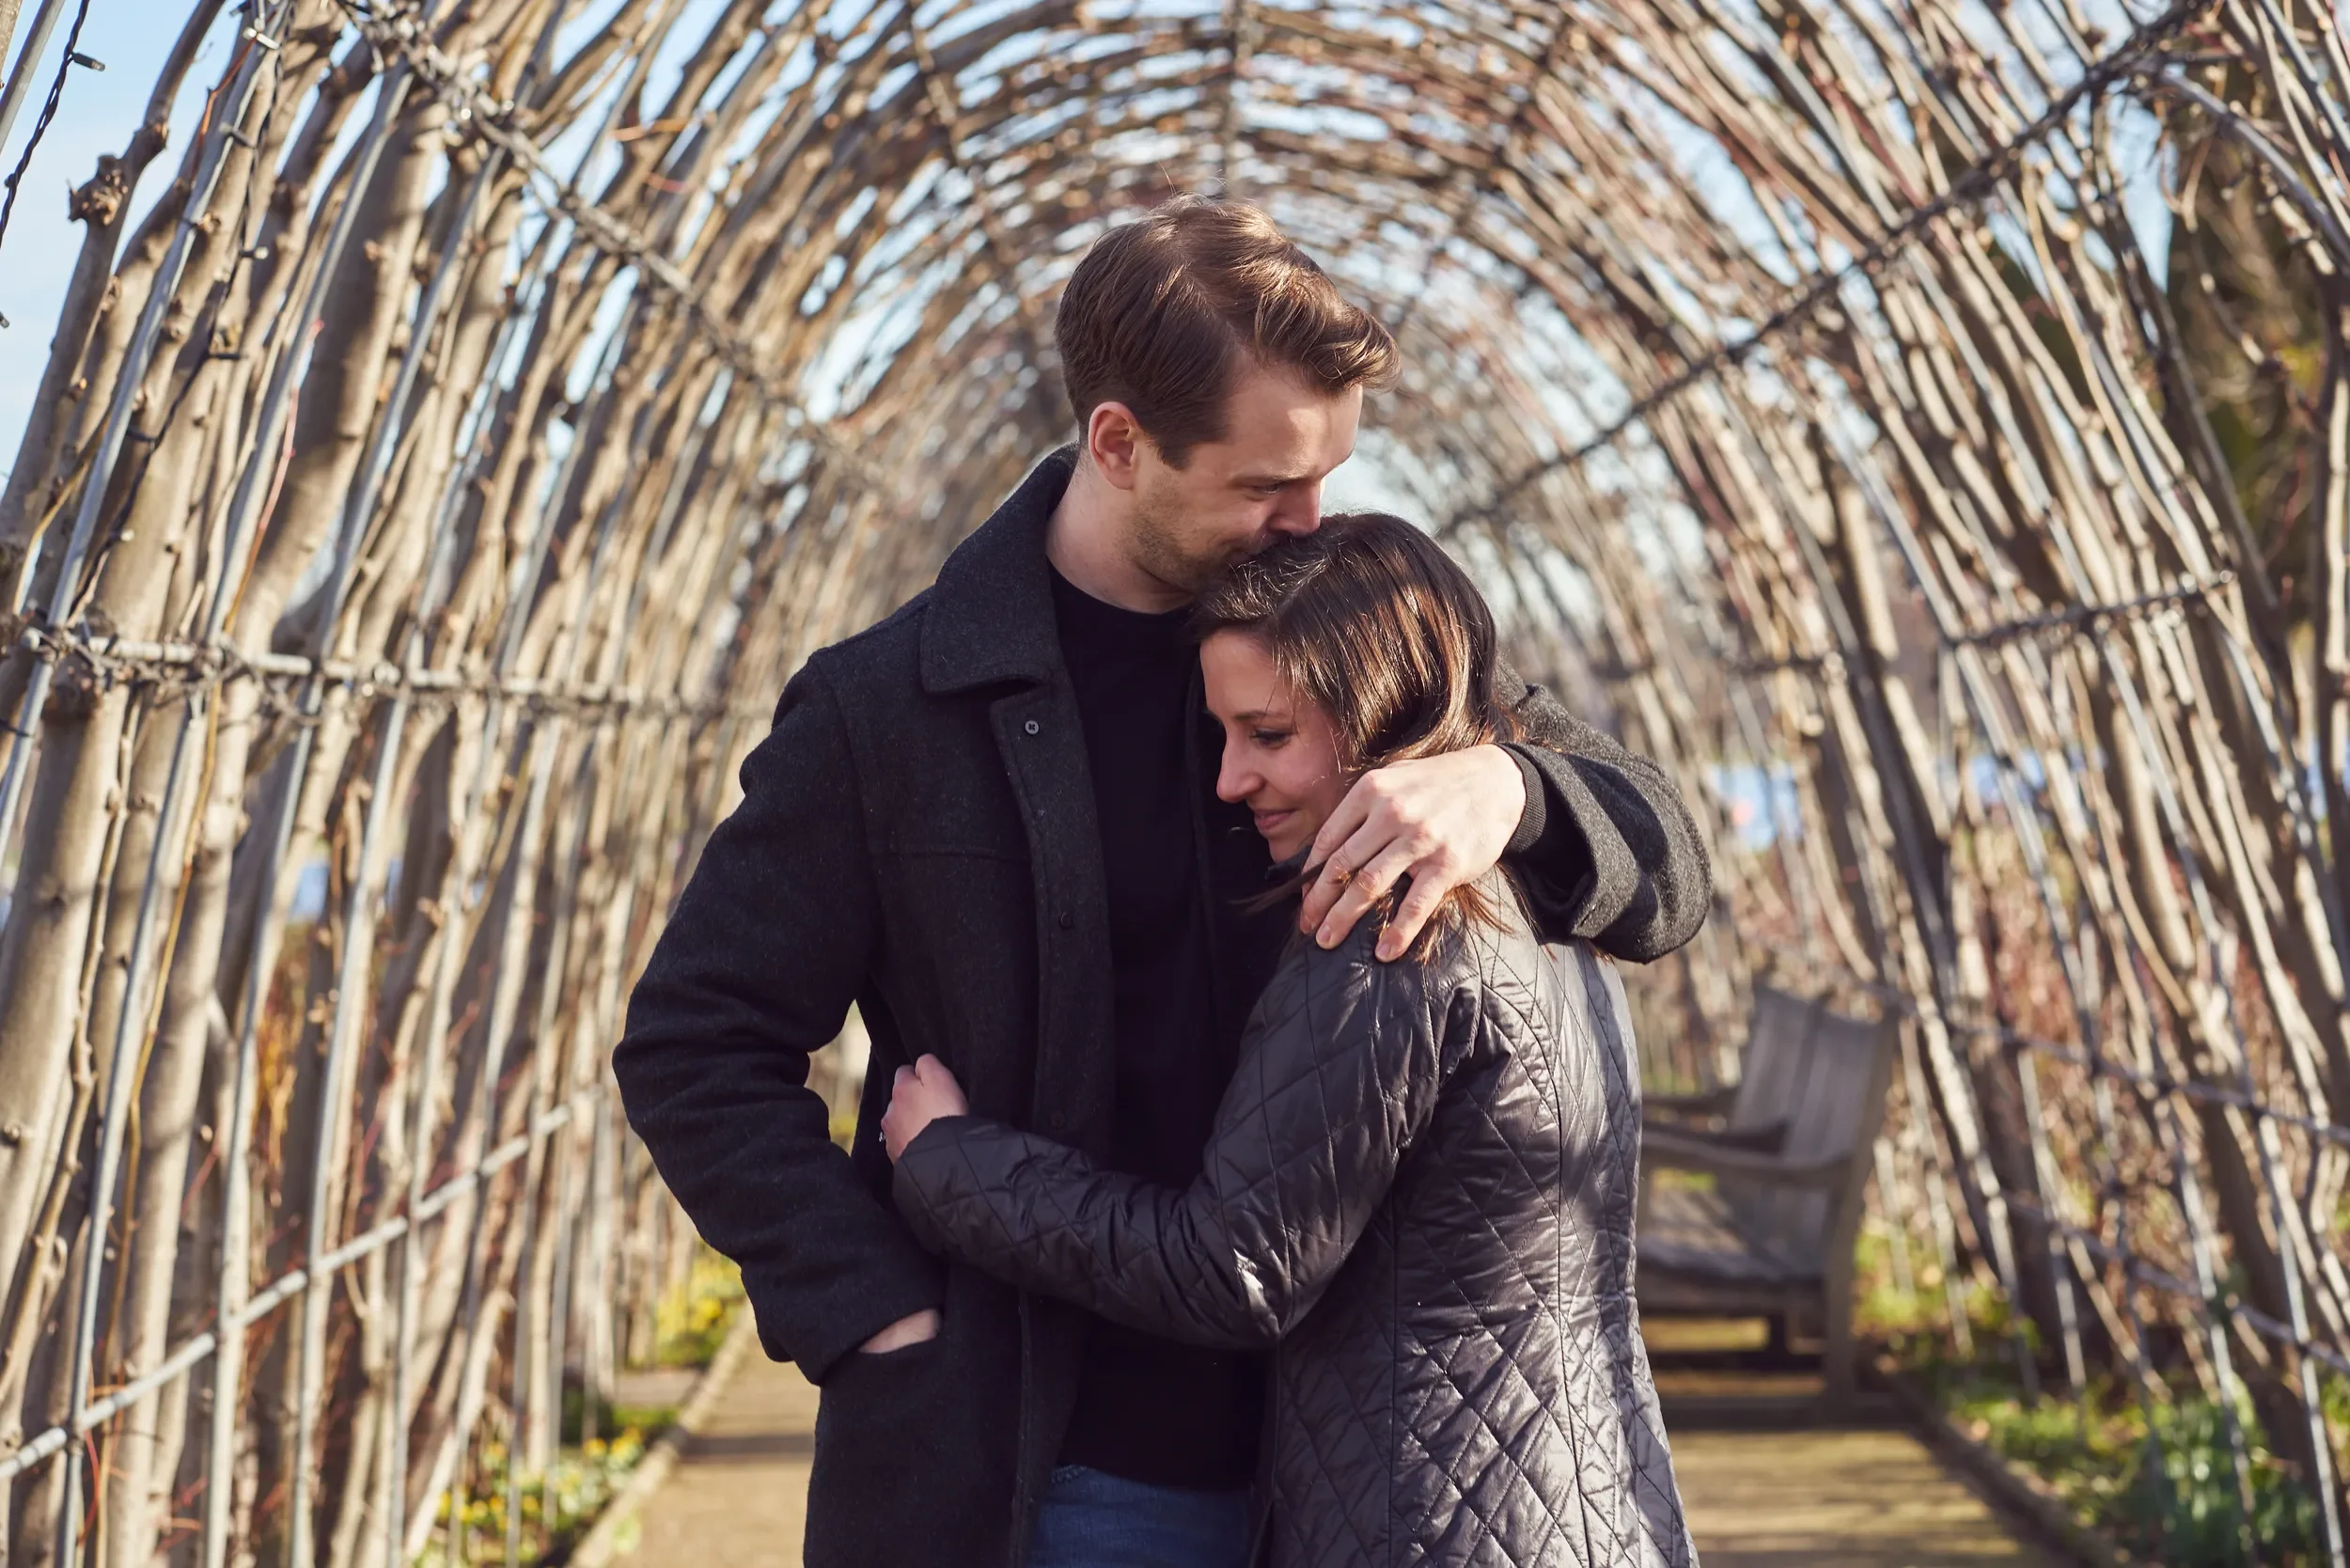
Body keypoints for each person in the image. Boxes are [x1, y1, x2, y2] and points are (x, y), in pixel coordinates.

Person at [613, 195, 1711, 1568]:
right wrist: (868, 1311)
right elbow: (697, 1041)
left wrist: (1513, 786)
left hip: (1343, 1466)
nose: (1311, 518)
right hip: (1043, 1469)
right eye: (1266, 487)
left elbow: (1669, 868)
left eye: (1327, 475)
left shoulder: (1335, 641)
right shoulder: (885, 710)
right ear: (1118, 443)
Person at [881, 512, 1695, 1567]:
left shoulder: (1387, 933)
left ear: (1378, 713)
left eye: (1267, 736)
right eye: (1222, 736)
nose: (1229, 780)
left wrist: (952, 1164)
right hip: (1576, 1493)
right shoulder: (1537, 885)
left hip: (1424, 1519)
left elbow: (1234, 1268)